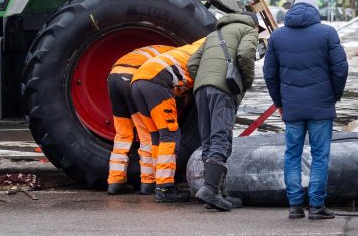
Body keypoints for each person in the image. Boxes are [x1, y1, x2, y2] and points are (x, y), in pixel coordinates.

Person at [263, 0, 348, 220]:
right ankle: (317, 206)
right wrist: (334, 96)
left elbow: (269, 74)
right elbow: (340, 69)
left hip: (292, 107)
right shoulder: (328, 33)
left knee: (292, 155)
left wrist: (280, 103)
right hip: (321, 106)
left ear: (292, 8)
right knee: (320, 156)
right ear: (315, 10)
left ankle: (295, 206)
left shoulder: (277, 36)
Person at [186, 13, 259, 211]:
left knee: (208, 139)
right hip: (223, 90)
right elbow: (245, 54)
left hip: (201, 89)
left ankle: (216, 193)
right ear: (255, 25)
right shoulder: (249, 31)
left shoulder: (213, 34)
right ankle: (210, 189)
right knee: (221, 137)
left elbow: (192, 64)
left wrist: (204, 80)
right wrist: (245, 82)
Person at [131, 38, 205, 202]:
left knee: (156, 136)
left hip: (138, 81)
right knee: (169, 134)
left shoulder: (194, 46)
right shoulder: (211, 49)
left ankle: (159, 183)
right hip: (157, 82)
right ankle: (165, 187)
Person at [106, 44, 175, 195]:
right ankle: (148, 182)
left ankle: (115, 181)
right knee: (147, 134)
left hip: (113, 76)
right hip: (132, 75)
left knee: (122, 134)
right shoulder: (174, 56)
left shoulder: (157, 48)